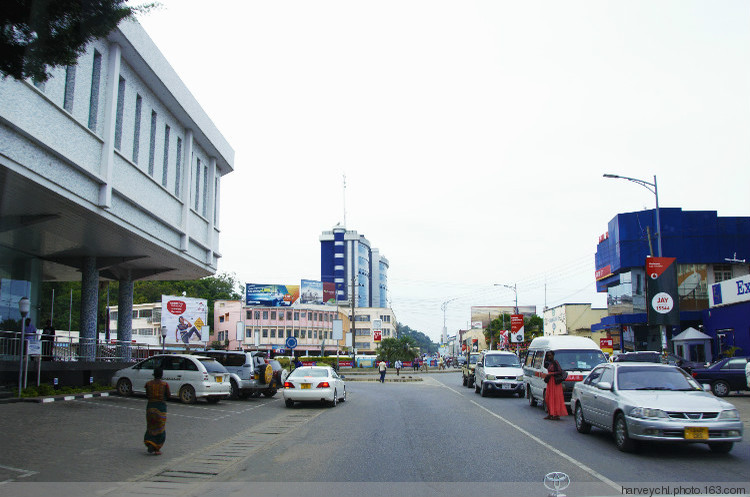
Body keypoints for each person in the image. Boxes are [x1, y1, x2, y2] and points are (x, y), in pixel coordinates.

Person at [144, 367, 171, 455]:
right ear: (162, 375)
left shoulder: (148, 384)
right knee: (160, 428)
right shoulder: (164, 384)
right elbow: (168, 395)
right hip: (160, 408)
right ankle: (157, 448)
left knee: (150, 426)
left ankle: (150, 443)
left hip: (150, 407)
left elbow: (147, 395)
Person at [543, 351, 567, 420]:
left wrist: (551, 374)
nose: (549, 357)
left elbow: (559, 371)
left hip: (554, 383)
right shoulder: (549, 363)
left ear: (553, 356)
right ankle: (550, 413)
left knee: (555, 398)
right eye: (548, 356)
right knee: (548, 397)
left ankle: (556, 414)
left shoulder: (555, 362)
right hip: (550, 382)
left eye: (550, 355)